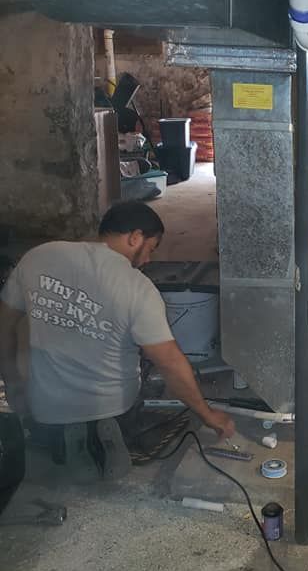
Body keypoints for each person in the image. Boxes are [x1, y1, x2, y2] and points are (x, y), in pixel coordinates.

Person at [0, 200, 234, 478]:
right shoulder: (138, 288)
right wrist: (207, 414)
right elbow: (169, 362)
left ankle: (65, 443)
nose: (148, 260)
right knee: (147, 364)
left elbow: (4, 326)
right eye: (150, 248)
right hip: (112, 407)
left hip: (45, 408)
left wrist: (15, 385)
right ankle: (104, 439)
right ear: (135, 237)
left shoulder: (37, 257)